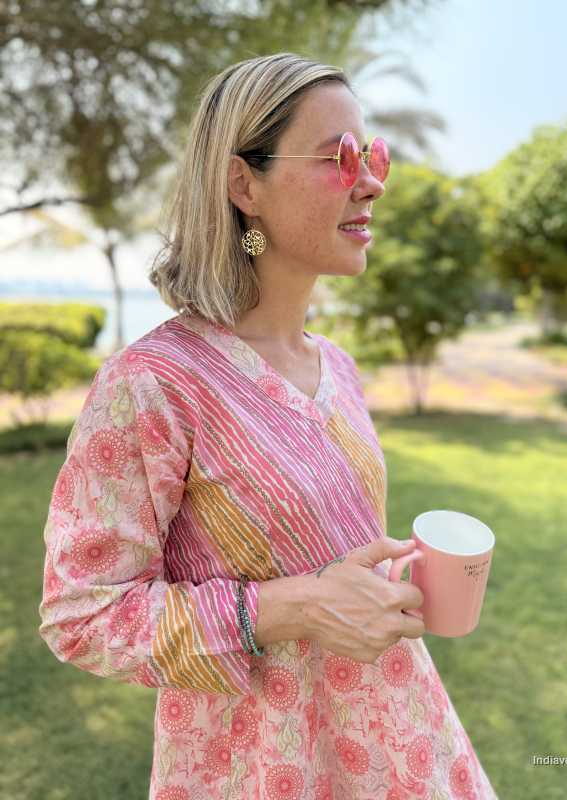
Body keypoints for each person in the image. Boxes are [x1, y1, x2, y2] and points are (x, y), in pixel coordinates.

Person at [38, 52, 498, 799]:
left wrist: (393, 580)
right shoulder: (152, 386)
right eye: (339, 157)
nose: (372, 180)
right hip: (264, 769)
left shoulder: (338, 368)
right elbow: (80, 615)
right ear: (242, 183)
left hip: (409, 747)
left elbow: (334, 551)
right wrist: (292, 607)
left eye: (373, 154)